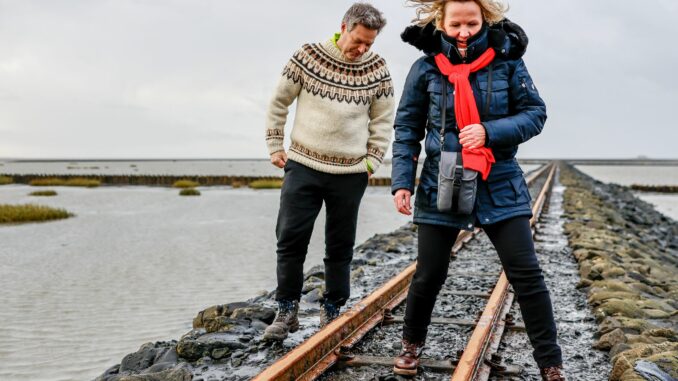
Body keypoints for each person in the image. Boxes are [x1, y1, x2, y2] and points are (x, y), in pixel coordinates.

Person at [390, 0, 566, 379]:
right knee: (428, 275)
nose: (464, 32)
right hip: (442, 181)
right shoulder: (425, 68)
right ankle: (410, 347)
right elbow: (406, 129)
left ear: (485, 19)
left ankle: (551, 365)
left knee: (527, 274)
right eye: (456, 24)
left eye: (472, 23)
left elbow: (536, 113)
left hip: (499, 179)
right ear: (441, 22)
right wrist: (402, 182)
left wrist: (490, 131)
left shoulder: (508, 61)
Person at [262, 3, 395, 342]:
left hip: (351, 173)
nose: (362, 49)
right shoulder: (307, 55)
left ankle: (332, 308)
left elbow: (383, 120)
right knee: (290, 239)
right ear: (344, 27)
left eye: (369, 43)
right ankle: (287, 308)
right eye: (358, 40)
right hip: (304, 165)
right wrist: (275, 145)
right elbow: (279, 102)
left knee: (340, 245)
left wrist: (372, 161)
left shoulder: (378, 69)